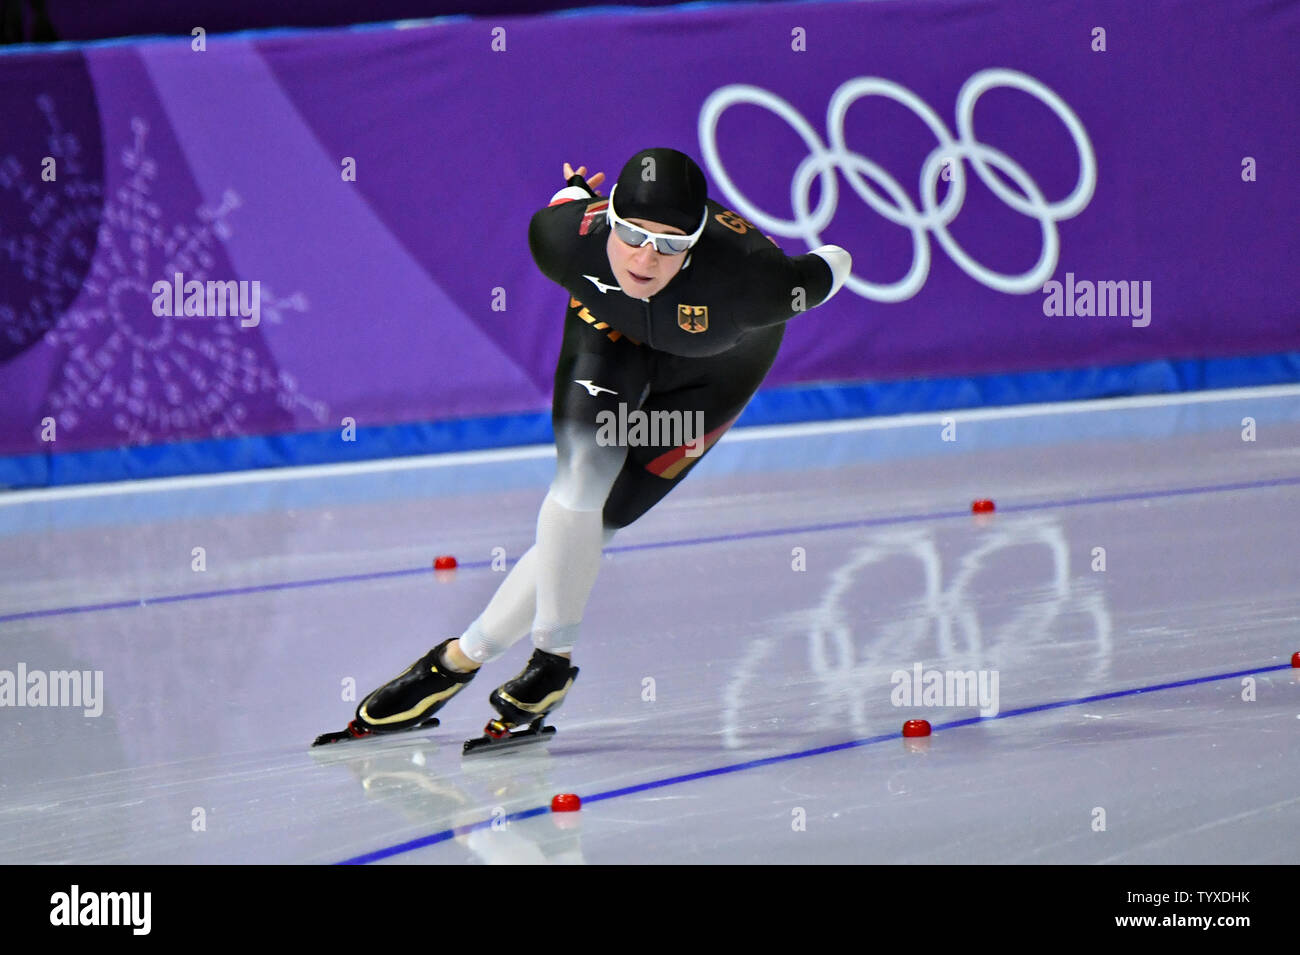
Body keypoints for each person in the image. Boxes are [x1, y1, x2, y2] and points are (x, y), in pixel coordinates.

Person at [321, 148, 850, 746]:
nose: (646, 257)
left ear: (697, 245)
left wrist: (821, 252)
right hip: (611, 337)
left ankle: (454, 663)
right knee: (579, 483)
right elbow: (568, 203)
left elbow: (834, 263)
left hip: (714, 371)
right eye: (630, 234)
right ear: (607, 219)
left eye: (671, 244)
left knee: (602, 522)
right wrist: (573, 191)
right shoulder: (560, 241)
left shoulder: (759, 283)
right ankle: (552, 664)